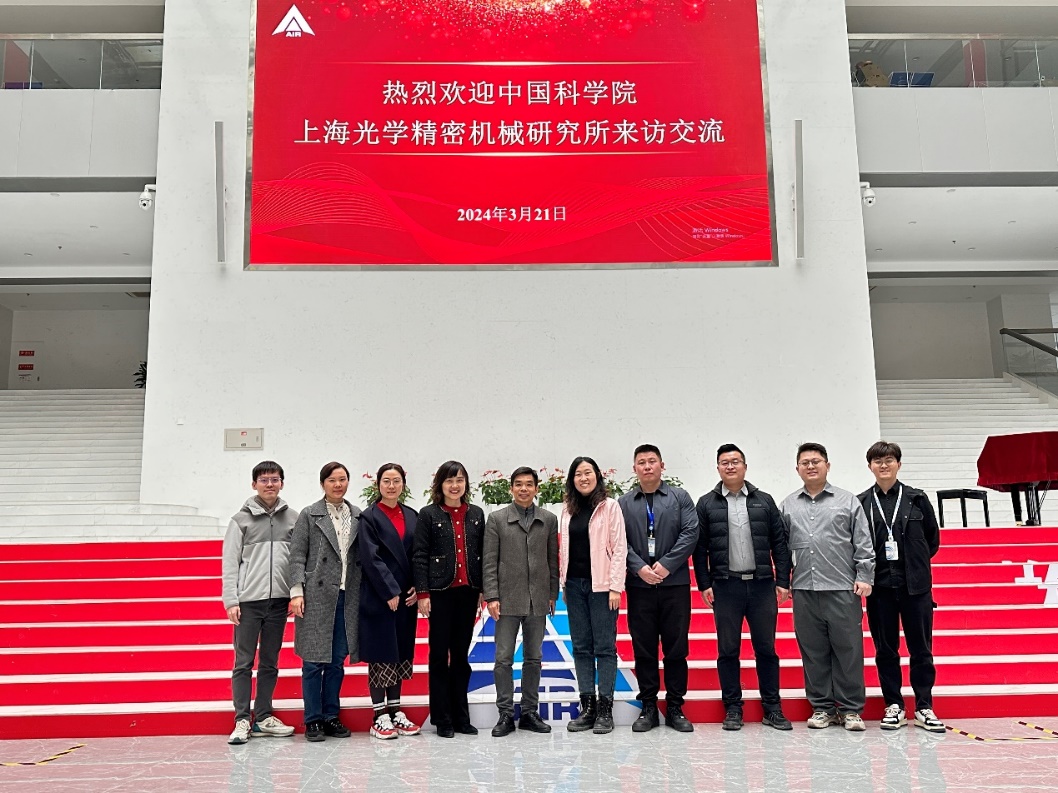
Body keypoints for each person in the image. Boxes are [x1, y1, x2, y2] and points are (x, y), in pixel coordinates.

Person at [694, 444, 792, 732]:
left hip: (762, 586)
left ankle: (772, 708)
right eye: (725, 462)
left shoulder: (764, 501)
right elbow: (700, 549)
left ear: (745, 466)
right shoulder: (706, 504)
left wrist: (782, 581)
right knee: (728, 650)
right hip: (726, 587)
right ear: (718, 468)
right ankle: (733, 708)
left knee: (766, 649)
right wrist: (704, 584)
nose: (730, 466)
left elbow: (779, 543)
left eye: (735, 461)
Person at [780, 442, 874, 732]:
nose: (811, 466)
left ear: (827, 465)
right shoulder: (788, 505)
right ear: (797, 469)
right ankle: (822, 708)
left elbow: (863, 541)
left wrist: (865, 575)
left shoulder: (848, 501)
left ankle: (851, 709)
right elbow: (781, 549)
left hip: (842, 588)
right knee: (813, 652)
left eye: (816, 461)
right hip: (804, 590)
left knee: (849, 651)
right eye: (805, 462)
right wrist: (783, 581)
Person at [859, 441, 944, 732]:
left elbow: (932, 541)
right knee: (885, 650)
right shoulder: (862, 502)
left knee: (921, 649)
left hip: (915, 588)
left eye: (889, 460)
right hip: (880, 587)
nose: (883, 465)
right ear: (870, 466)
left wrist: (914, 565)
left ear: (899, 464)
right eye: (878, 461)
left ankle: (924, 706)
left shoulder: (917, 499)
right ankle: (893, 705)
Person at [619, 444, 699, 733]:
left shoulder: (680, 497)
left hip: (674, 584)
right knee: (644, 648)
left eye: (652, 461)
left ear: (662, 465)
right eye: (641, 462)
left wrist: (666, 565)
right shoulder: (623, 503)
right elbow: (618, 540)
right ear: (635, 469)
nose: (647, 466)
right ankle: (649, 707)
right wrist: (639, 567)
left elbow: (691, 532)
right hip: (639, 585)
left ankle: (675, 706)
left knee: (676, 648)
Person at [221, 460, 298, 745]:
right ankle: (242, 719)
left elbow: (297, 561)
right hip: (248, 603)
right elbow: (230, 563)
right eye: (264, 480)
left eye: (274, 479)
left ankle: (264, 716)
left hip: (278, 602)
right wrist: (231, 600)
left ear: (282, 483)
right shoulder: (239, 520)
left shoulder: (293, 518)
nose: (269, 484)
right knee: (243, 662)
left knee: (270, 662)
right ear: (254, 484)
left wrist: (294, 592)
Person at [483, 466, 559, 737]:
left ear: (536, 489)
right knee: (503, 658)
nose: (524, 489)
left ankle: (529, 712)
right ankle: (505, 713)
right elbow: (489, 562)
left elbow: (552, 560)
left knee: (534, 658)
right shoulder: (497, 519)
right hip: (506, 600)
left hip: (538, 599)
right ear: (511, 488)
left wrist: (552, 594)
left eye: (529, 484)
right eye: (518, 484)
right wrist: (492, 596)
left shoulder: (548, 519)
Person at [411, 460, 485, 738]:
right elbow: (420, 555)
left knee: (461, 657)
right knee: (440, 656)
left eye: (460, 480)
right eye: (449, 480)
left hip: (468, 593)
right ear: (440, 485)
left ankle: (461, 717)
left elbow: (482, 553)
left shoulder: (476, 513)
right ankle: (442, 718)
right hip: (440, 593)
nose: (455, 486)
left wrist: (483, 589)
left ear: (466, 484)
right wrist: (422, 592)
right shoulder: (428, 514)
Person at [289, 462, 362, 742]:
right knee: (312, 661)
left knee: (336, 661)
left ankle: (331, 716)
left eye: (342, 479)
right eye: (332, 480)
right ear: (323, 484)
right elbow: (297, 555)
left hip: (347, 595)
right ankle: (313, 720)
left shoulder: (357, 515)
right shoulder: (310, 514)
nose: (338, 484)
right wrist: (297, 591)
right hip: (316, 596)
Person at [559, 456, 627, 735]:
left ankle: (605, 710)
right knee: (581, 647)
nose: (583, 478)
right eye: (578, 474)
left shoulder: (609, 506)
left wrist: (615, 586)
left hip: (602, 587)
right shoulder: (567, 510)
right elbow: (563, 549)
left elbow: (619, 548)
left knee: (604, 648)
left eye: (588, 472)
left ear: (597, 476)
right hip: (574, 586)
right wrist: (563, 584)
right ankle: (587, 708)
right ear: (572, 480)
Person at [359, 463, 421, 740]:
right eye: (386, 480)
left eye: (396, 481)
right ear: (378, 485)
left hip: (407, 597)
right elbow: (370, 558)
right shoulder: (369, 517)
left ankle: (395, 710)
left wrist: (418, 586)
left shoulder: (412, 516)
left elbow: (419, 555)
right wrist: (390, 591)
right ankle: (379, 715)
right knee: (381, 654)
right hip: (380, 596)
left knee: (400, 653)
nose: (391, 486)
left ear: (403, 485)